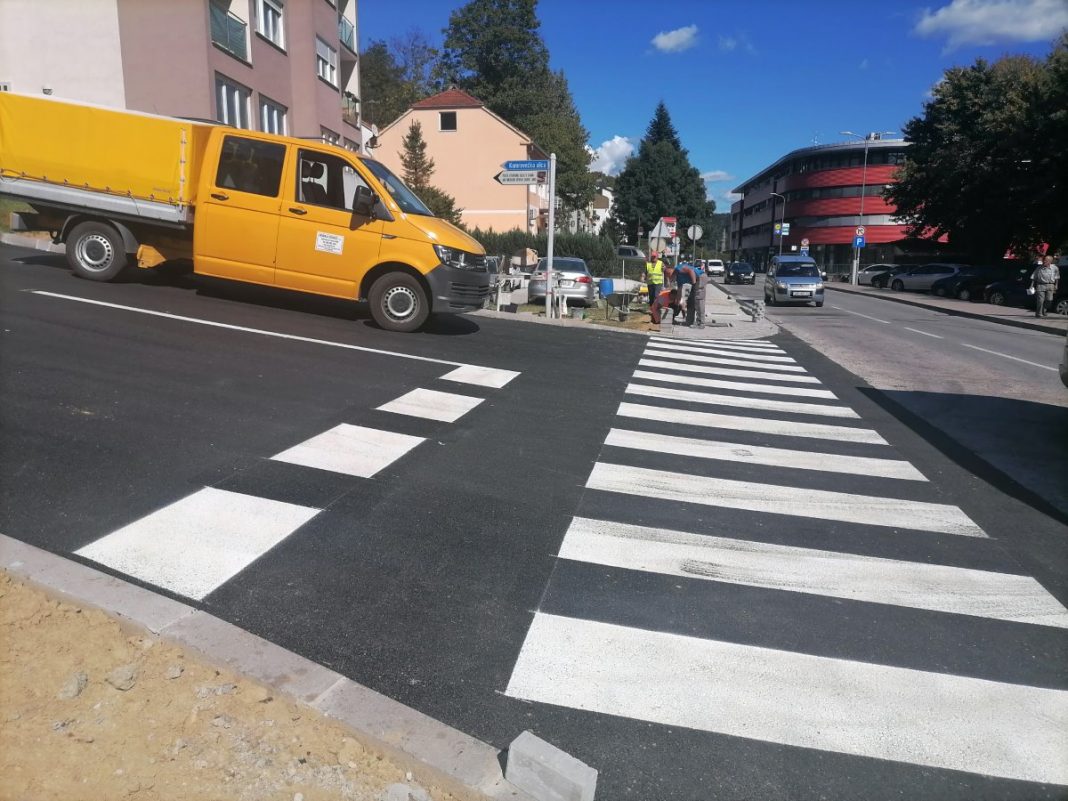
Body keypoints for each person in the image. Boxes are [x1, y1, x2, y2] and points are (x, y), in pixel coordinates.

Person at [690, 259, 708, 328]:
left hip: (700, 293)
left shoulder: (701, 274)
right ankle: (698, 322)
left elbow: (700, 286)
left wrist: (694, 283)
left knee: (700, 308)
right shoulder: (701, 273)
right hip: (699, 293)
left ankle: (701, 323)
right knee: (698, 308)